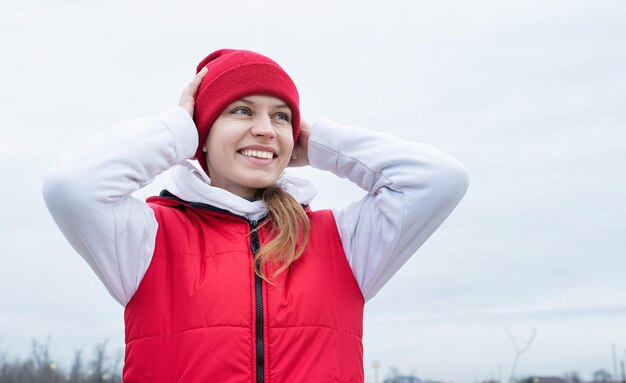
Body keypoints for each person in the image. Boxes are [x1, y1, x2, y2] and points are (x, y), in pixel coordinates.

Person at [42, 49, 469, 382]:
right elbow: (73, 185)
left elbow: (439, 179)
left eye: (280, 117)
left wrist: (320, 143)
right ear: (201, 134)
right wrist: (176, 131)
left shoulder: (343, 240)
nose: (266, 128)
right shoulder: (148, 237)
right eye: (241, 110)